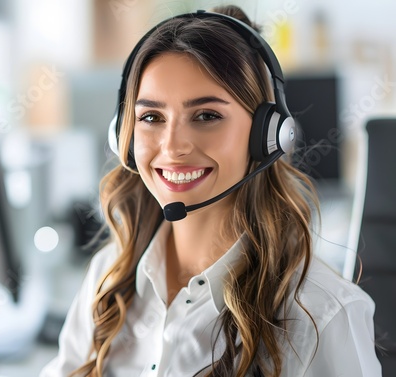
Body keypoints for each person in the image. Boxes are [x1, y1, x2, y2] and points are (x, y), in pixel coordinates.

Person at [41, 5, 381, 377]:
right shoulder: (109, 277)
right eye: (151, 117)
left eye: (206, 116)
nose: (172, 147)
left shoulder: (322, 314)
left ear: (266, 137)